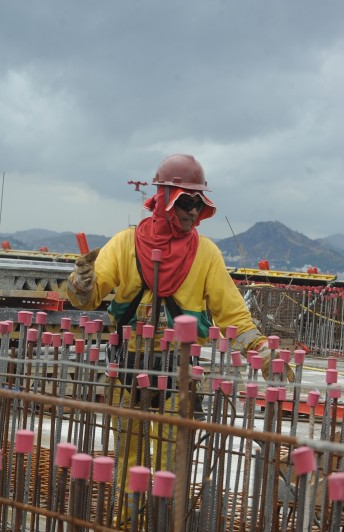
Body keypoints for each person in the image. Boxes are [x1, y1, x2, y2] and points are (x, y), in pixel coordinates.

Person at [65, 154, 290, 513]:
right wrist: (81, 280)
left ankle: (163, 521)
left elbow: (233, 312)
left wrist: (261, 351)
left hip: (177, 375)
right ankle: (129, 520)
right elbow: (86, 297)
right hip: (127, 371)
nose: (192, 212)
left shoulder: (206, 254)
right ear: (166, 200)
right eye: (186, 202)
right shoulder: (125, 244)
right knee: (128, 458)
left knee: (172, 464)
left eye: (198, 204)